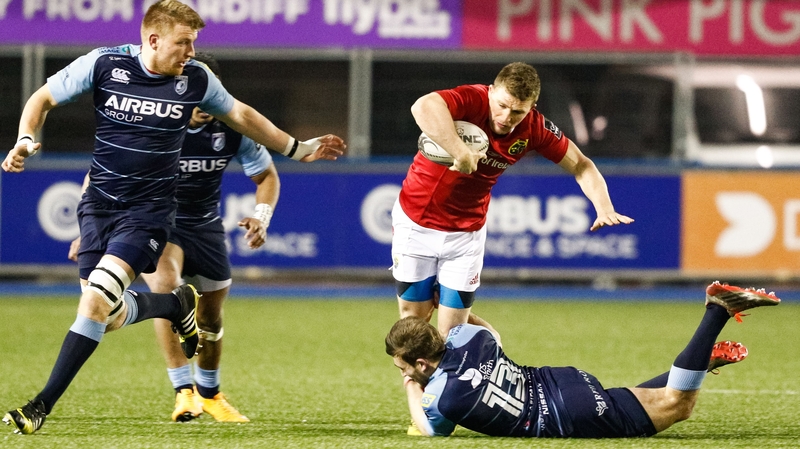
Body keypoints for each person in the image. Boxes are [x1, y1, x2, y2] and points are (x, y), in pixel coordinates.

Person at [2, 0, 344, 435]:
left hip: (148, 214)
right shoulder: (104, 64)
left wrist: (295, 148)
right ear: (153, 39)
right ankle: (173, 303)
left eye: (193, 43)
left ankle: (39, 406)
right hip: (98, 206)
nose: (190, 52)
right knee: (102, 317)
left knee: (93, 303)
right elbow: (43, 97)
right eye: (183, 43)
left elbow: (240, 114)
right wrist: (27, 138)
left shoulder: (197, 79)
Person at [392, 62, 634, 341]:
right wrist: (460, 151)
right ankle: (414, 385)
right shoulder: (472, 98)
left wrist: (604, 207)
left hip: (466, 233)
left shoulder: (535, 128)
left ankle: (462, 357)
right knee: (413, 321)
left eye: (518, 111)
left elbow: (581, 165)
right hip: (416, 222)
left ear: (531, 107)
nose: (507, 117)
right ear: (492, 91)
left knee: (453, 334)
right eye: (503, 105)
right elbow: (423, 106)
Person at [385, 281, 780, 438]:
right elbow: (491, 333)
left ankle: (716, 312)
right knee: (651, 399)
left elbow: (431, 429)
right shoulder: (464, 336)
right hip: (560, 381)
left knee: (679, 406)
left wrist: (409, 387)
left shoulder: (442, 397)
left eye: (404, 366)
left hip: (566, 414)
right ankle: (700, 363)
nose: (402, 372)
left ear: (421, 364)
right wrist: (452, 312)